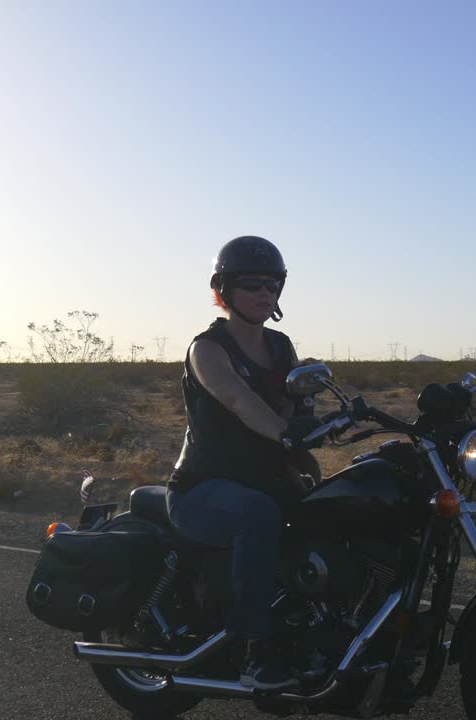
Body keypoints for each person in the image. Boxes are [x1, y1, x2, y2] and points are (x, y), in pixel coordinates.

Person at [165, 235, 325, 691]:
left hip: (265, 480)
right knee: (258, 514)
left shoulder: (280, 345)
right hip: (201, 490)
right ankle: (254, 647)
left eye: (272, 285)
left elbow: (292, 407)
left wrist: (309, 433)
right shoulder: (208, 349)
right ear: (224, 289)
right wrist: (284, 431)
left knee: (335, 511)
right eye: (251, 284)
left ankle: (314, 629)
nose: (264, 293)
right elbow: (238, 400)